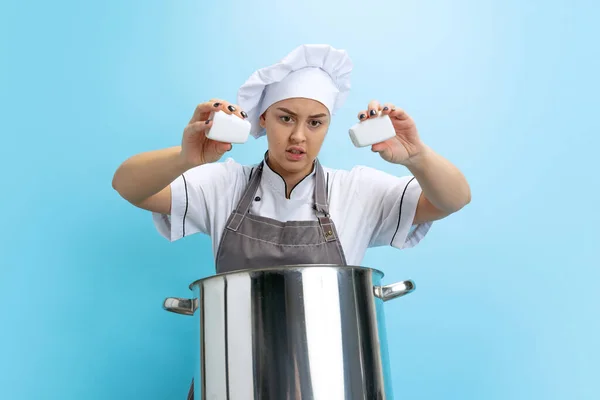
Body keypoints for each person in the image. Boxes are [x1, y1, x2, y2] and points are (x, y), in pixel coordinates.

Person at [112, 44, 471, 398]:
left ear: (328, 125)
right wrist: (184, 158)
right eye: (286, 118)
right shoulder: (222, 184)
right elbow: (128, 186)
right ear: (263, 118)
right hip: (233, 385)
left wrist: (416, 156)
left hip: (334, 387)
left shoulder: (358, 191)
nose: (299, 136)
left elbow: (453, 199)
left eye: (315, 123)